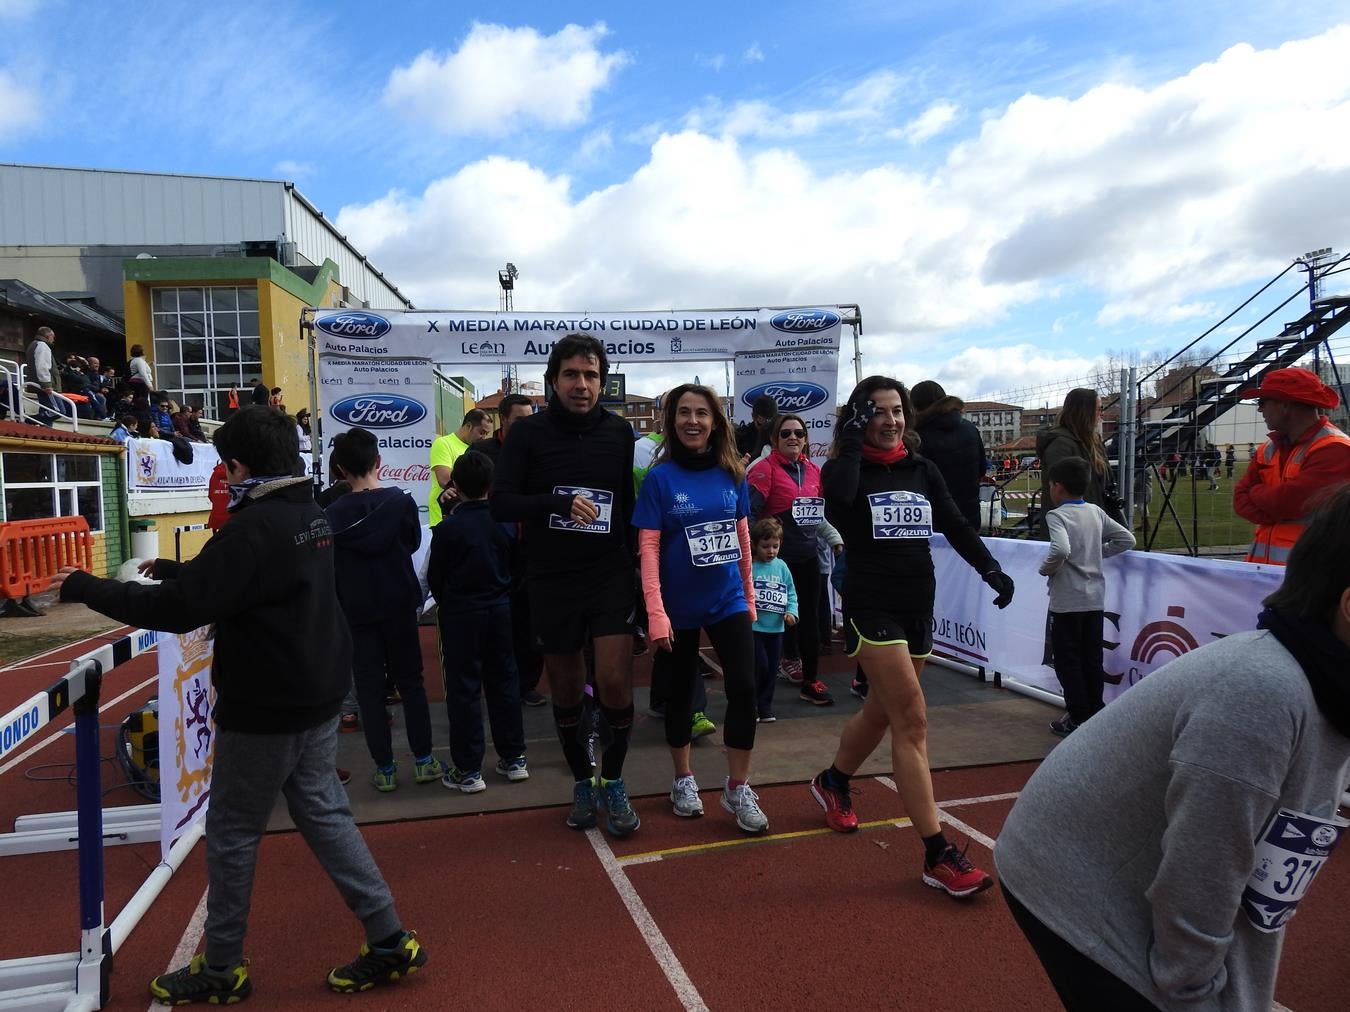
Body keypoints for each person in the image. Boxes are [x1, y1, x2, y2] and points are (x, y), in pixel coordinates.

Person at [51, 405, 427, 1002]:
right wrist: (184, 569)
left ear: (236, 466)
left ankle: (222, 966)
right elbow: (256, 578)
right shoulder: (310, 513)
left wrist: (82, 586)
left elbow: (178, 609)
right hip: (319, 691)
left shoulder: (253, 529)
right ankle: (389, 939)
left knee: (230, 833)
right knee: (326, 816)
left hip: (268, 704)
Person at [996, 482, 1350, 1012]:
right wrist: (1198, 996)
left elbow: (1265, 890)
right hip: (1068, 876)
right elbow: (1203, 880)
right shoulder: (1262, 693)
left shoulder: (1326, 685)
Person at [808, 376, 1015, 898]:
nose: (892, 419)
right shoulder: (842, 468)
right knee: (913, 719)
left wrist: (990, 569)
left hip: (917, 606)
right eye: (878, 411)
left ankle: (832, 780)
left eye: (898, 410)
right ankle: (936, 852)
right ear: (858, 418)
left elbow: (957, 525)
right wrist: (851, 443)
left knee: (883, 710)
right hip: (869, 605)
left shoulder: (923, 470)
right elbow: (840, 501)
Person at [491, 334, 640, 835]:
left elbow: (624, 506)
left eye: (592, 375)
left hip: (608, 574)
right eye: (572, 375)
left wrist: (639, 571)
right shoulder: (528, 435)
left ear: (603, 381)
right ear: (554, 380)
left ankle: (614, 781)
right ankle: (582, 780)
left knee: (616, 684)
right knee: (569, 690)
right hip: (552, 578)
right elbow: (501, 504)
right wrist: (556, 505)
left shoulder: (620, 434)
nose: (582, 385)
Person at [634, 383, 767, 832]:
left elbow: (744, 540)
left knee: (745, 688)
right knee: (679, 698)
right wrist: (656, 613)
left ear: (716, 422)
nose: (693, 420)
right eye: (684, 413)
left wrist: (748, 598)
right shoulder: (660, 479)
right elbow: (648, 549)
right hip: (678, 607)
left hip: (727, 600)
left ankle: (737, 787)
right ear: (672, 422)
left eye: (702, 413)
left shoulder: (733, 473)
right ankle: (683, 779)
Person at [325, 427, 443, 793]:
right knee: (411, 683)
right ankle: (424, 761)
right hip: (398, 604)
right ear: (378, 461)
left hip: (357, 610)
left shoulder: (331, 513)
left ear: (341, 469)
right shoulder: (402, 502)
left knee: (370, 691)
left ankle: (385, 769)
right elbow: (411, 543)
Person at [426, 450, 527, 792]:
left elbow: (435, 579)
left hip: (461, 614)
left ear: (455, 485)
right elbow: (516, 569)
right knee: (504, 681)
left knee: (464, 689)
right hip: (500, 608)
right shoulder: (507, 524)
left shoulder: (448, 529)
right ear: (492, 485)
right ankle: (514, 757)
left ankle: (469, 769)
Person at [1038, 456, 1135, 736]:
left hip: (1067, 602)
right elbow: (1127, 539)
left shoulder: (1056, 515)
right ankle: (1093, 711)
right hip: (1094, 600)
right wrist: (1097, 554)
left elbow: (1060, 550)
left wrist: (1046, 569)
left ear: (1057, 487)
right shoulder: (1095, 511)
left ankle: (1078, 716)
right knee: (1091, 658)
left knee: (1068, 662)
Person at [748, 412, 834, 704]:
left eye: (798, 433)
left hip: (808, 556)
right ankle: (763, 682)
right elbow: (748, 515)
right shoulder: (764, 469)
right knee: (769, 620)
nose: (793, 438)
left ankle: (811, 680)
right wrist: (753, 553)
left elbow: (817, 516)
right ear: (775, 440)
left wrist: (835, 539)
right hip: (774, 561)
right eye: (785, 433)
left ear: (806, 438)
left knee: (807, 618)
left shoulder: (813, 471)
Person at [471, 394, 546, 706]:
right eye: (519, 420)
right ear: (503, 420)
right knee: (499, 624)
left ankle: (527, 684)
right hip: (496, 551)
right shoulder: (481, 452)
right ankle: (500, 685)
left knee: (532, 623)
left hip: (532, 550)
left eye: (530, 419)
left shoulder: (540, 450)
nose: (526, 426)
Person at [1234, 367, 1350, 566]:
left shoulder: (1335, 449)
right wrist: (1278, 507)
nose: (1260, 409)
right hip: (1264, 573)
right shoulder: (1268, 448)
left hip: (1312, 578)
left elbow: (1288, 502)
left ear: (1285, 405)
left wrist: (1257, 493)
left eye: (1262, 402)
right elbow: (1240, 500)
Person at [1036, 388, 1125, 536]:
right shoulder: (1060, 444)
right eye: (1099, 408)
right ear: (1085, 412)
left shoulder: (1093, 442)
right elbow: (1061, 492)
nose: (1101, 413)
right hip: (1071, 530)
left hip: (1094, 523)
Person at [910, 379, 986, 531]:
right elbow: (982, 469)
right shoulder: (970, 428)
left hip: (934, 521)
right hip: (969, 517)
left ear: (915, 406)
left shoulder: (918, 437)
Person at [750, 517, 798, 723]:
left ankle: (765, 706)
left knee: (771, 669)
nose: (770, 551)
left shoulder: (782, 567)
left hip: (776, 629)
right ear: (754, 545)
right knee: (759, 666)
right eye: (765, 546)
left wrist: (792, 612)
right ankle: (751, 703)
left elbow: (792, 593)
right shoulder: (750, 567)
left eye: (775, 546)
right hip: (755, 627)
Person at [427, 408, 492, 527]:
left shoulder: (479, 448)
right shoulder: (443, 443)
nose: (483, 437)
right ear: (468, 426)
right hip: (444, 515)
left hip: (472, 517)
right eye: (481, 432)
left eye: (486, 434)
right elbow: (445, 480)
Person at [25, 325, 61, 424]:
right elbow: (42, 366)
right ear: (48, 335)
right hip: (46, 385)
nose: (53, 339)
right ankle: (29, 420)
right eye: (53, 336)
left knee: (46, 409)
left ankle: (46, 430)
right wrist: (47, 385)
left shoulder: (33, 344)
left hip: (39, 384)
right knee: (59, 411)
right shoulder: (42, 346)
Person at [734, 393, 778, 461]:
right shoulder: (740, 436)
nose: (766, 426)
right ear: (753, 416)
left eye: (770, 421)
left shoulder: (782, 435)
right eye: (762, 420)